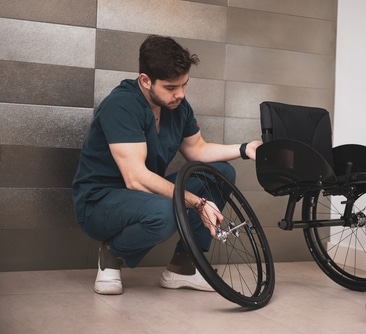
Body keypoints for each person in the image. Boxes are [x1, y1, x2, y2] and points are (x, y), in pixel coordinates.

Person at [72, 35, 261, 295]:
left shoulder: (177, 107)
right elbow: (135, 178)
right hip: (100, 202)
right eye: (171, 87)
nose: (180, 94)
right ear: (145, 80)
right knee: (167, 211)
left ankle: (183, 266)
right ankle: (111, 253)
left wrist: (244, 148)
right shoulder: (121, 105)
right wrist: (198, 203)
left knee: (220, 172)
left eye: (184, 85)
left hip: (144, 196)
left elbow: (197, 150)